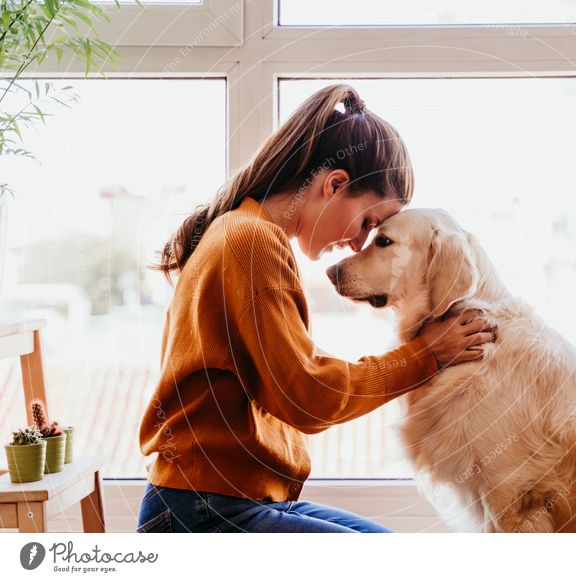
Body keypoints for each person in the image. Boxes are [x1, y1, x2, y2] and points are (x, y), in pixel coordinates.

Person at [136, 84, 496, 533]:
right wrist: (427, 355)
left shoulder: (246, 233)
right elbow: (307, 396)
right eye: (367, 222)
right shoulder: (250, 241)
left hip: (231, 500)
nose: (358, 244)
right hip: (200, 512)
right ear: (335, 184)